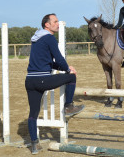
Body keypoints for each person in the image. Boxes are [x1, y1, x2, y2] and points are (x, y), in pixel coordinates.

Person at [25, 13, 85, 154]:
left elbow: (50, 63)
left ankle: (34, 144)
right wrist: (67, 69)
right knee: (71, 78)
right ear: (47, 24)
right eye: (55, 21)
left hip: (30, 80)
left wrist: (65, 68)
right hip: (42, 80)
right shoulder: (49, 38)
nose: (58, 24)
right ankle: (69, 106)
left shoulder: (36, 39)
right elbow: (59, 58)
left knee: (33, 114)